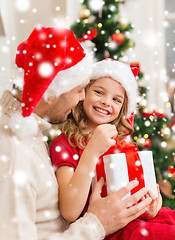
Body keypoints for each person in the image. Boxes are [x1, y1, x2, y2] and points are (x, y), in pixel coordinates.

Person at [0, 26, 153, 240]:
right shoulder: (13, 156)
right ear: (52, 93)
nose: (82, 98)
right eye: (80, 89)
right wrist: (97, 224)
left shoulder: (28, 133)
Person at [50, 59, 175, 240]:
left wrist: (150, 206)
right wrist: (92, 150)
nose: (106, 102)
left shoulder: (122, 144)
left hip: (134, 221)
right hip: (106, 230)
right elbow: (70, 211)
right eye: (99, 92)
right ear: (83, 93)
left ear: (122, 108)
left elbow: (137, 192)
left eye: (116, 99)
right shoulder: (65, 144)